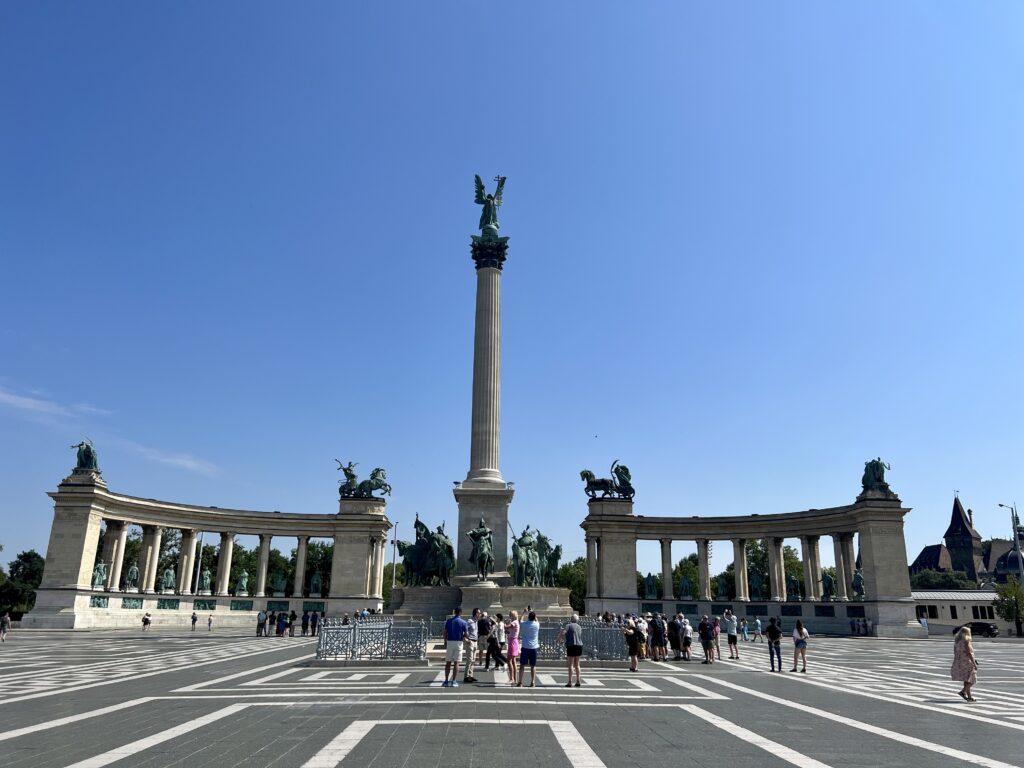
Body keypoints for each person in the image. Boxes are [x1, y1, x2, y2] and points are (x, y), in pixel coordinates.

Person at [951, 626, 979, 702]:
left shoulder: (957, 641)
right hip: (967, 661)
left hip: (959, 662)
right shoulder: (966, 641)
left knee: (966, 680)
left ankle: (969, 697)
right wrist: (974, 663)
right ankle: (963, 692)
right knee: (972, 679)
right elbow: (969, 653)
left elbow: (955, 653)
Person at [442, 607, 468, 688]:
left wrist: (445, 641)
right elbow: (467, 634)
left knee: (448, 662)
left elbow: (445, 632)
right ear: (460, 612)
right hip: (459, 642)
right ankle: (454, 681)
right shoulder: (463, 622)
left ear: (454, 612)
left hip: (450, 642)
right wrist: (463, 635)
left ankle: (446, 680)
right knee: (457, 662)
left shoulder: (449, 621)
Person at [518, 610, 541, 687]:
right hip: (534, 647)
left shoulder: (524, 624)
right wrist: (532, 612)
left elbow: (520, 620)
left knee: (522, 665)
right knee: (533, 666)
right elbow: (536, 620)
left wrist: (524, 613)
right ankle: (533, 682)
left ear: (528, 617)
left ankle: (520, 682)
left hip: (525, 646)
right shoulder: (537, 624)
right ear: (534, 617)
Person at [560, 613, 584, 686]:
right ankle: (578, 681)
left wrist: (560, 639)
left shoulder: (568, 625)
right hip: (579, 645)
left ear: (571, 619)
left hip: (571, 646)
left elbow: (563, 633)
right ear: (577, 620)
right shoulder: (579, 627)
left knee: (570, 664)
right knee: (577, 664)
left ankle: (570, 681)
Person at [463, 608, 480, 683]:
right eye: (479, 613)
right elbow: (464, 630)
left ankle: (471, 675)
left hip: (475, 642)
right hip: (470, 642)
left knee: (473, 660)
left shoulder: (476, 622)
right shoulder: (469, 621)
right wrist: (466, 639)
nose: (480, 615)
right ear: (476, 614)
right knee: (469, 660)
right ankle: (466, 676)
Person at [506, 610, 520, 685]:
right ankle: (515, 679)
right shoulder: (516, 622)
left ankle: (511, 678)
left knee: (509, 660)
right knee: (513, 661)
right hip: (514, 641)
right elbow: (509, 631)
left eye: (510, 615)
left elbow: (507, 627)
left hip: (512, 642)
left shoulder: (514, 622)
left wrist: (499, 623)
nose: (509, 616)